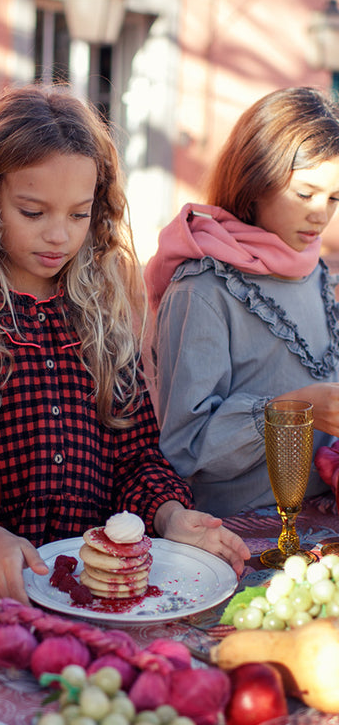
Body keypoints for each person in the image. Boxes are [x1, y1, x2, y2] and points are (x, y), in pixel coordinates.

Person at [0, 84, 249, 604]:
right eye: (33, 212)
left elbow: (135, 459)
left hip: (91, 599)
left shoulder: (105, 327)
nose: (59, 236)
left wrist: (170, 514)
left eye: (78, 214)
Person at [144, 86, 339, 518]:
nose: (320, 215)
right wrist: (292, 409)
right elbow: (186, 448)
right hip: (239, 539)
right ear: (256, 183)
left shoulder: (313, 270)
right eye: (305, 194)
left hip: (322, 524)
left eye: (334, 198)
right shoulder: (203, 291)